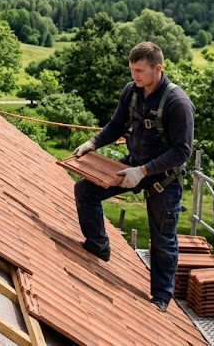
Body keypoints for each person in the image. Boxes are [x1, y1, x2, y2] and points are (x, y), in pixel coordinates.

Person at [72, 41, 195, 313]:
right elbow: (117, 124)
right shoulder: (132, 92)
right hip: (133, 165)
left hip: (162, 178)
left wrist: (143, 172)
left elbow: (182, 151)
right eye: (132, 69)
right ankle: (98, 245)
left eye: (139, 70)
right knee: (86, 191)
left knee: (163, 238)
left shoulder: (177, 103)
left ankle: (162, 297)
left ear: (158, 68)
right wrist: (93, 143)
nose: (134, 76)